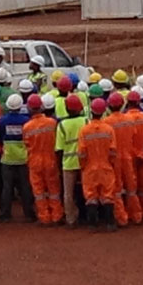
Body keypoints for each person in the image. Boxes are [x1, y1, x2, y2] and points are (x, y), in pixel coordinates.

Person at [78, 98, 118, 231]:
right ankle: (110, 223)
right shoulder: (109, 129)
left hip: (90, 167)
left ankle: (92, 225)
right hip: (106, 166)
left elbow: (82, 152)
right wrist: (110, 163)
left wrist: (83, 166)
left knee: (90, 196)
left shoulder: (84, 130)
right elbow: (113, 150)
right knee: (108, 195)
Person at [23, 94, 63, 226]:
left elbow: (27, 144)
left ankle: (44, 217)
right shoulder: (52, 123)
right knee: (54, 189)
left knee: (39, 191)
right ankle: (57, 216)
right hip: (50, 159)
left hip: (35, 161)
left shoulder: (27, 127)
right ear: (41, 107)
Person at [0, 94, 34, 223]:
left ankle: (5, 214)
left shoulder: (2, 121)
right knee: (25, 187)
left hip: (7, 158)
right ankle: (29, 214)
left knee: (7, 188)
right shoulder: (26, 121)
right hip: (23, 158)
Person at [105, 92, 140, 226]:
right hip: (128, 157)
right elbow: (134, 136)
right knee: (132, 188)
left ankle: (121, 218)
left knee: (117, 189)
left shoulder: (106, 122)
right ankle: (136, 216)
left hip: (115, 159)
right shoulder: (130, 120)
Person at [55, 94, 87, 227]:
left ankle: (71, 219)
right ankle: (87, 216)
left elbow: (59, 149)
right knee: (86, 190)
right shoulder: (86, 121)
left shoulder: (62, 125)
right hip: (84, 162)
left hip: (68, 163)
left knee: (68, 194)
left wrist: (59, 166)